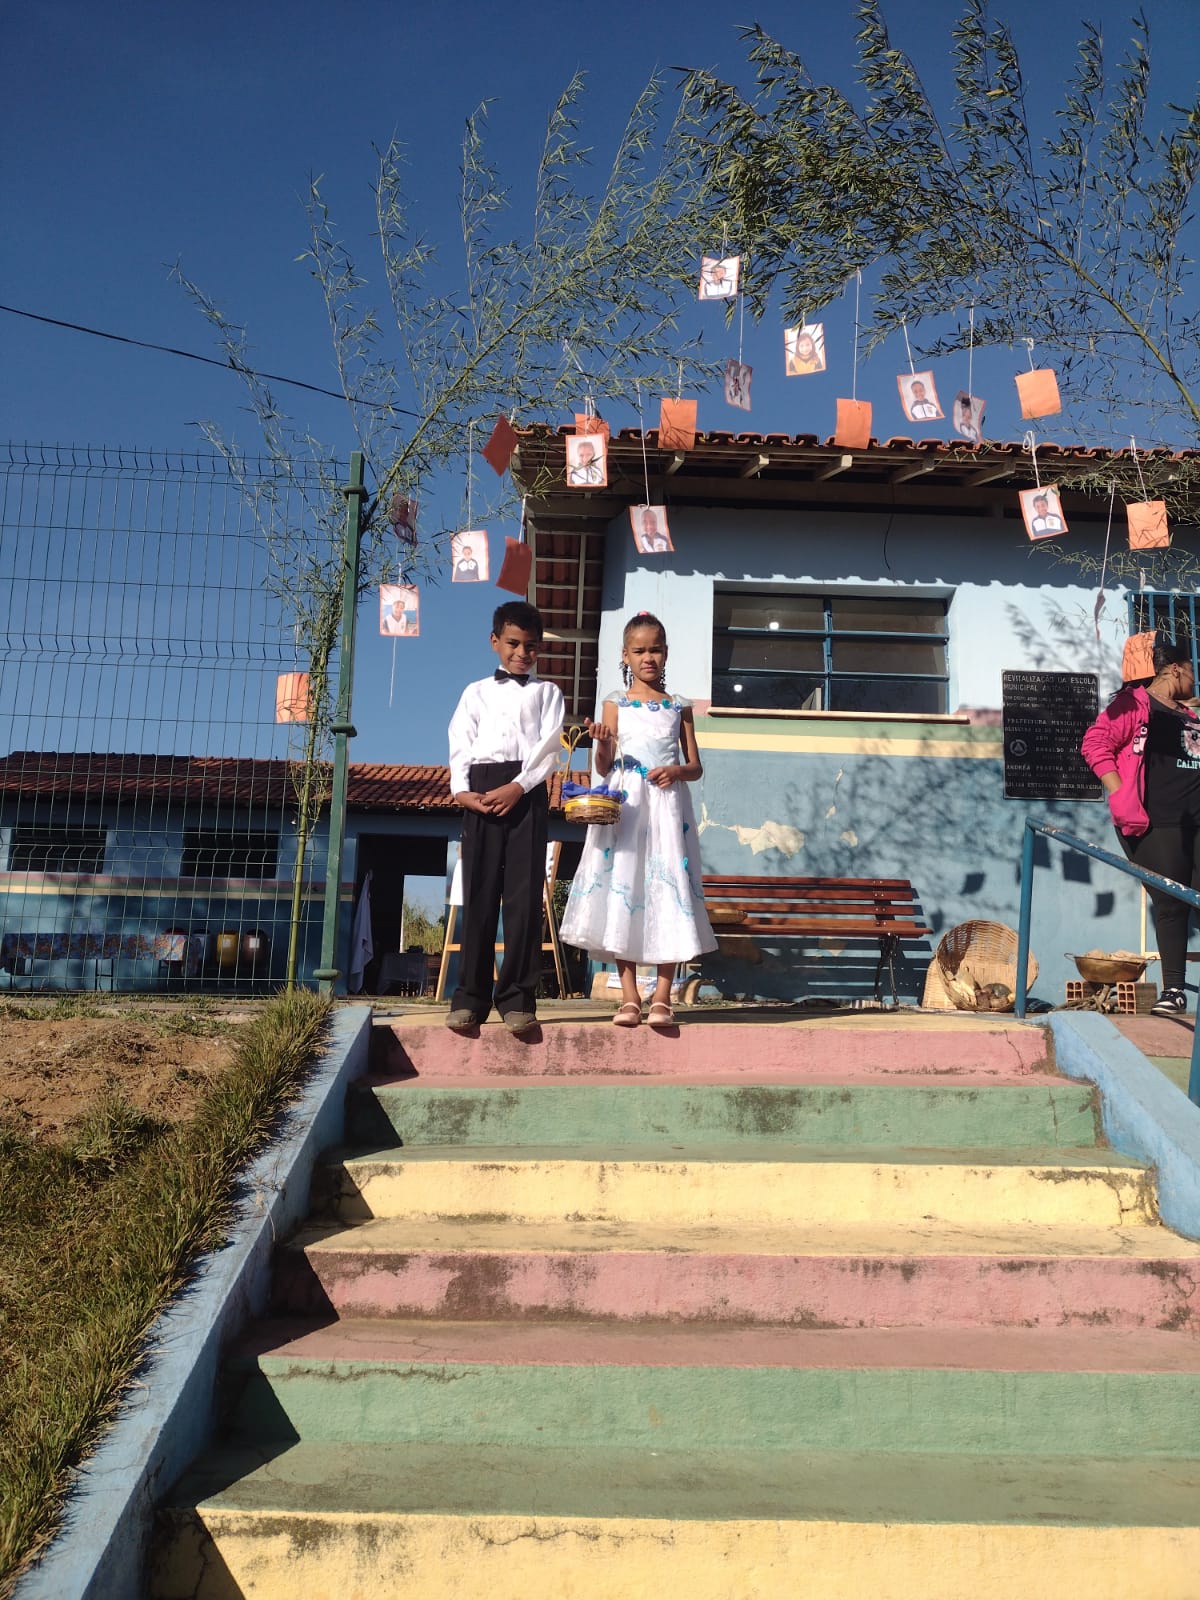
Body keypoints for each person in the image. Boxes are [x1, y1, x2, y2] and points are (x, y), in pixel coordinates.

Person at [561, 610, 717, 1028]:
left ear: (666, 653)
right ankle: (629, 997)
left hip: (667, 806)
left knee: (670, 888)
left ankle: (663, 996)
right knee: (623, 887)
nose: (648, 657)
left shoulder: (679, 706)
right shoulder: (615, 702)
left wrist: (676, 771)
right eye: (639, 650)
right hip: (627, 806)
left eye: (655, 650)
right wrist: (601, 743)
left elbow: (695, 766)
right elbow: (604, 765)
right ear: (625, 655)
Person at [446, 600, 565, 1036]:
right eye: (513, 643)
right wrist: (462, 791)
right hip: (479, 788)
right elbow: (460, 741)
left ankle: (517, 998)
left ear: (539, 648)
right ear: (495, 641)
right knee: (479, 894)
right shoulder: (474, 692)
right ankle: (469, 998)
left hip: (526, 792)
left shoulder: (548, 693)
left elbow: (549, 749)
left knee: (523, 898)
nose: (521, 653)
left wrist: (518, 786)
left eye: (530, 646)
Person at [1081, 635, 1200, 1017]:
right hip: (1156, 822)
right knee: (1172, 902)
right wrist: (1119, 794)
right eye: (1192, 670)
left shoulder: (1189, 713)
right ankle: (1175, 990)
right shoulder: (1134, 704)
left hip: (1195, 823)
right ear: (1176, 669)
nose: (1194, 678)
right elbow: (1095, 744)